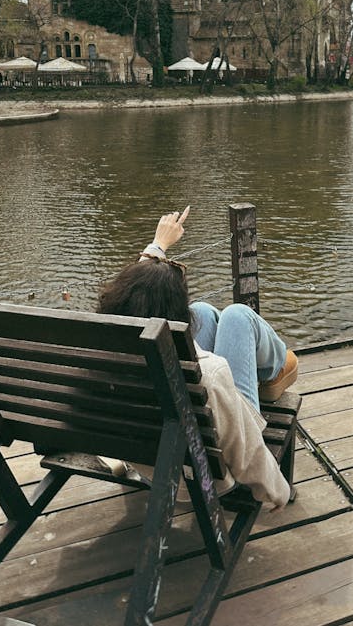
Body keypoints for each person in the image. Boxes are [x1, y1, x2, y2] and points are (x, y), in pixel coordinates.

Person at [98, 207, 298, 509]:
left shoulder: (100, 349)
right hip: (206, 469)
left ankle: (274, 362)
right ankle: (277, 363)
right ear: (177, 310)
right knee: (238, 315)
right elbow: (247, 453)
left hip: (148, 448)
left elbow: (132, 301)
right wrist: (279, 493)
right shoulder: (211, 373)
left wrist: (158, 245)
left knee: (204, 312)